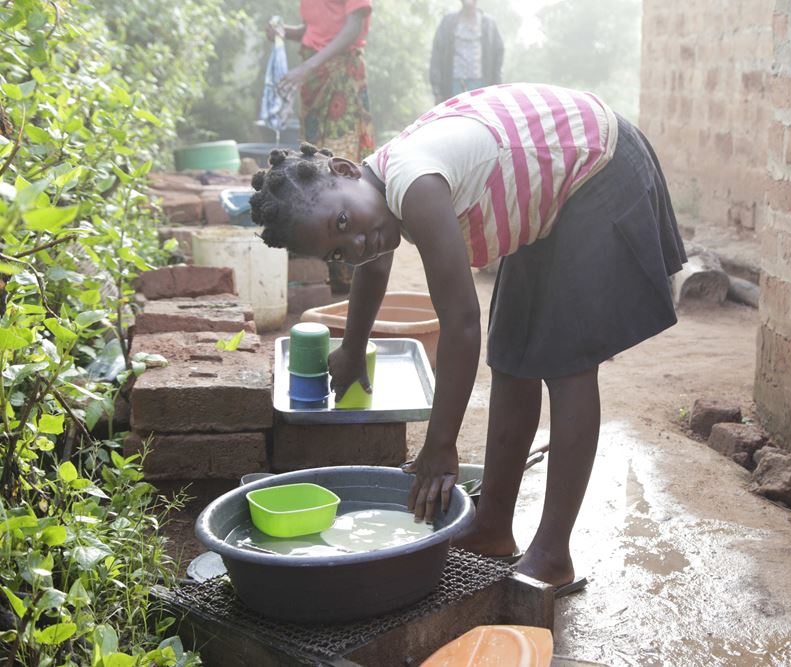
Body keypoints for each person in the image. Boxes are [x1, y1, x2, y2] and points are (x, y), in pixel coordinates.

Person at [248, 83, 687, 593]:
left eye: (343, 222)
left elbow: (460, 322)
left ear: (347, 170)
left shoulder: (416, 184)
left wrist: (440, 445)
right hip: (550, 195)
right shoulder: (377, 191)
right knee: (513, 355)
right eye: (339, 251)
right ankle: (492, 528)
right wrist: (351, 348)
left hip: (598, 164)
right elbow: (374, 263)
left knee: (566, 364)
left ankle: (553, 555)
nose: (358, 243)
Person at [269, 0, 375, 292]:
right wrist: (285, 32)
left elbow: (353, 27)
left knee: (342, 167)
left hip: (341, 76)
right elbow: (317, 28)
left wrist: (308, 65)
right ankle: (327, 267)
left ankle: (358, 270)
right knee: (315, 168)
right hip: (314, 81)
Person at [429, 0, 504, 104]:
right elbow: (437, 55)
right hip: (453, 86)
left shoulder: (488, 24)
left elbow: (498, 57)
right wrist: (437, 91)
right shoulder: (448, 22)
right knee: (455, 114)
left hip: (481, 86)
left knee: (478, 114)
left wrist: (496, 87)